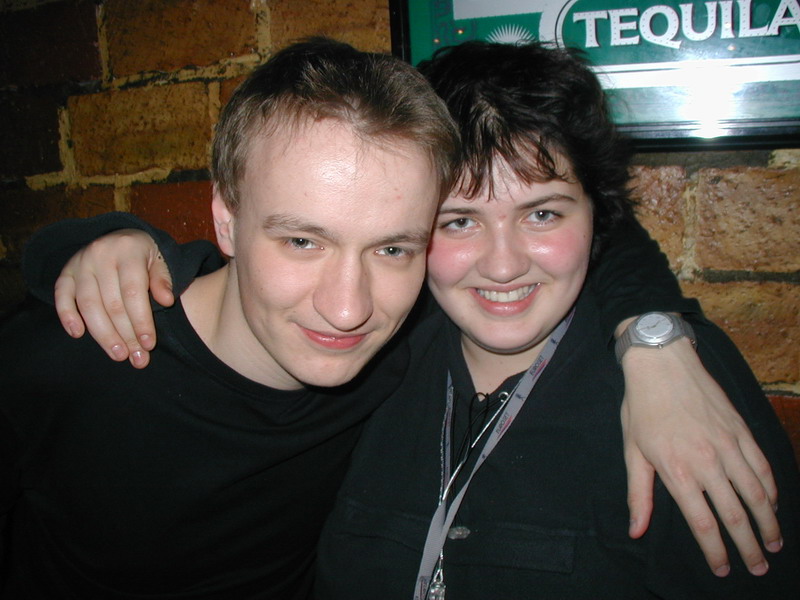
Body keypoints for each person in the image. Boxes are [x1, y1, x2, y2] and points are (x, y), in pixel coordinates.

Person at [8, 39, 787, 595]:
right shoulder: (377, 350)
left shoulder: (666, 387)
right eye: (458, 222)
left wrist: (656, 339)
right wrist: (98, 241)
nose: (348, 308)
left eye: (544, 214)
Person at [312, 41, 800, 598]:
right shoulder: (363, 357)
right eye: (459, 221)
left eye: (542, 214)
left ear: (596, 214)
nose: (503, 266)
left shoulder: (681, 383)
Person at [0, 37, 460, 598]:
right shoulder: (71, 356)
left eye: (392, 250)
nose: (348, 311)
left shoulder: (405, 352)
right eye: (302, 241)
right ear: (226, 221)